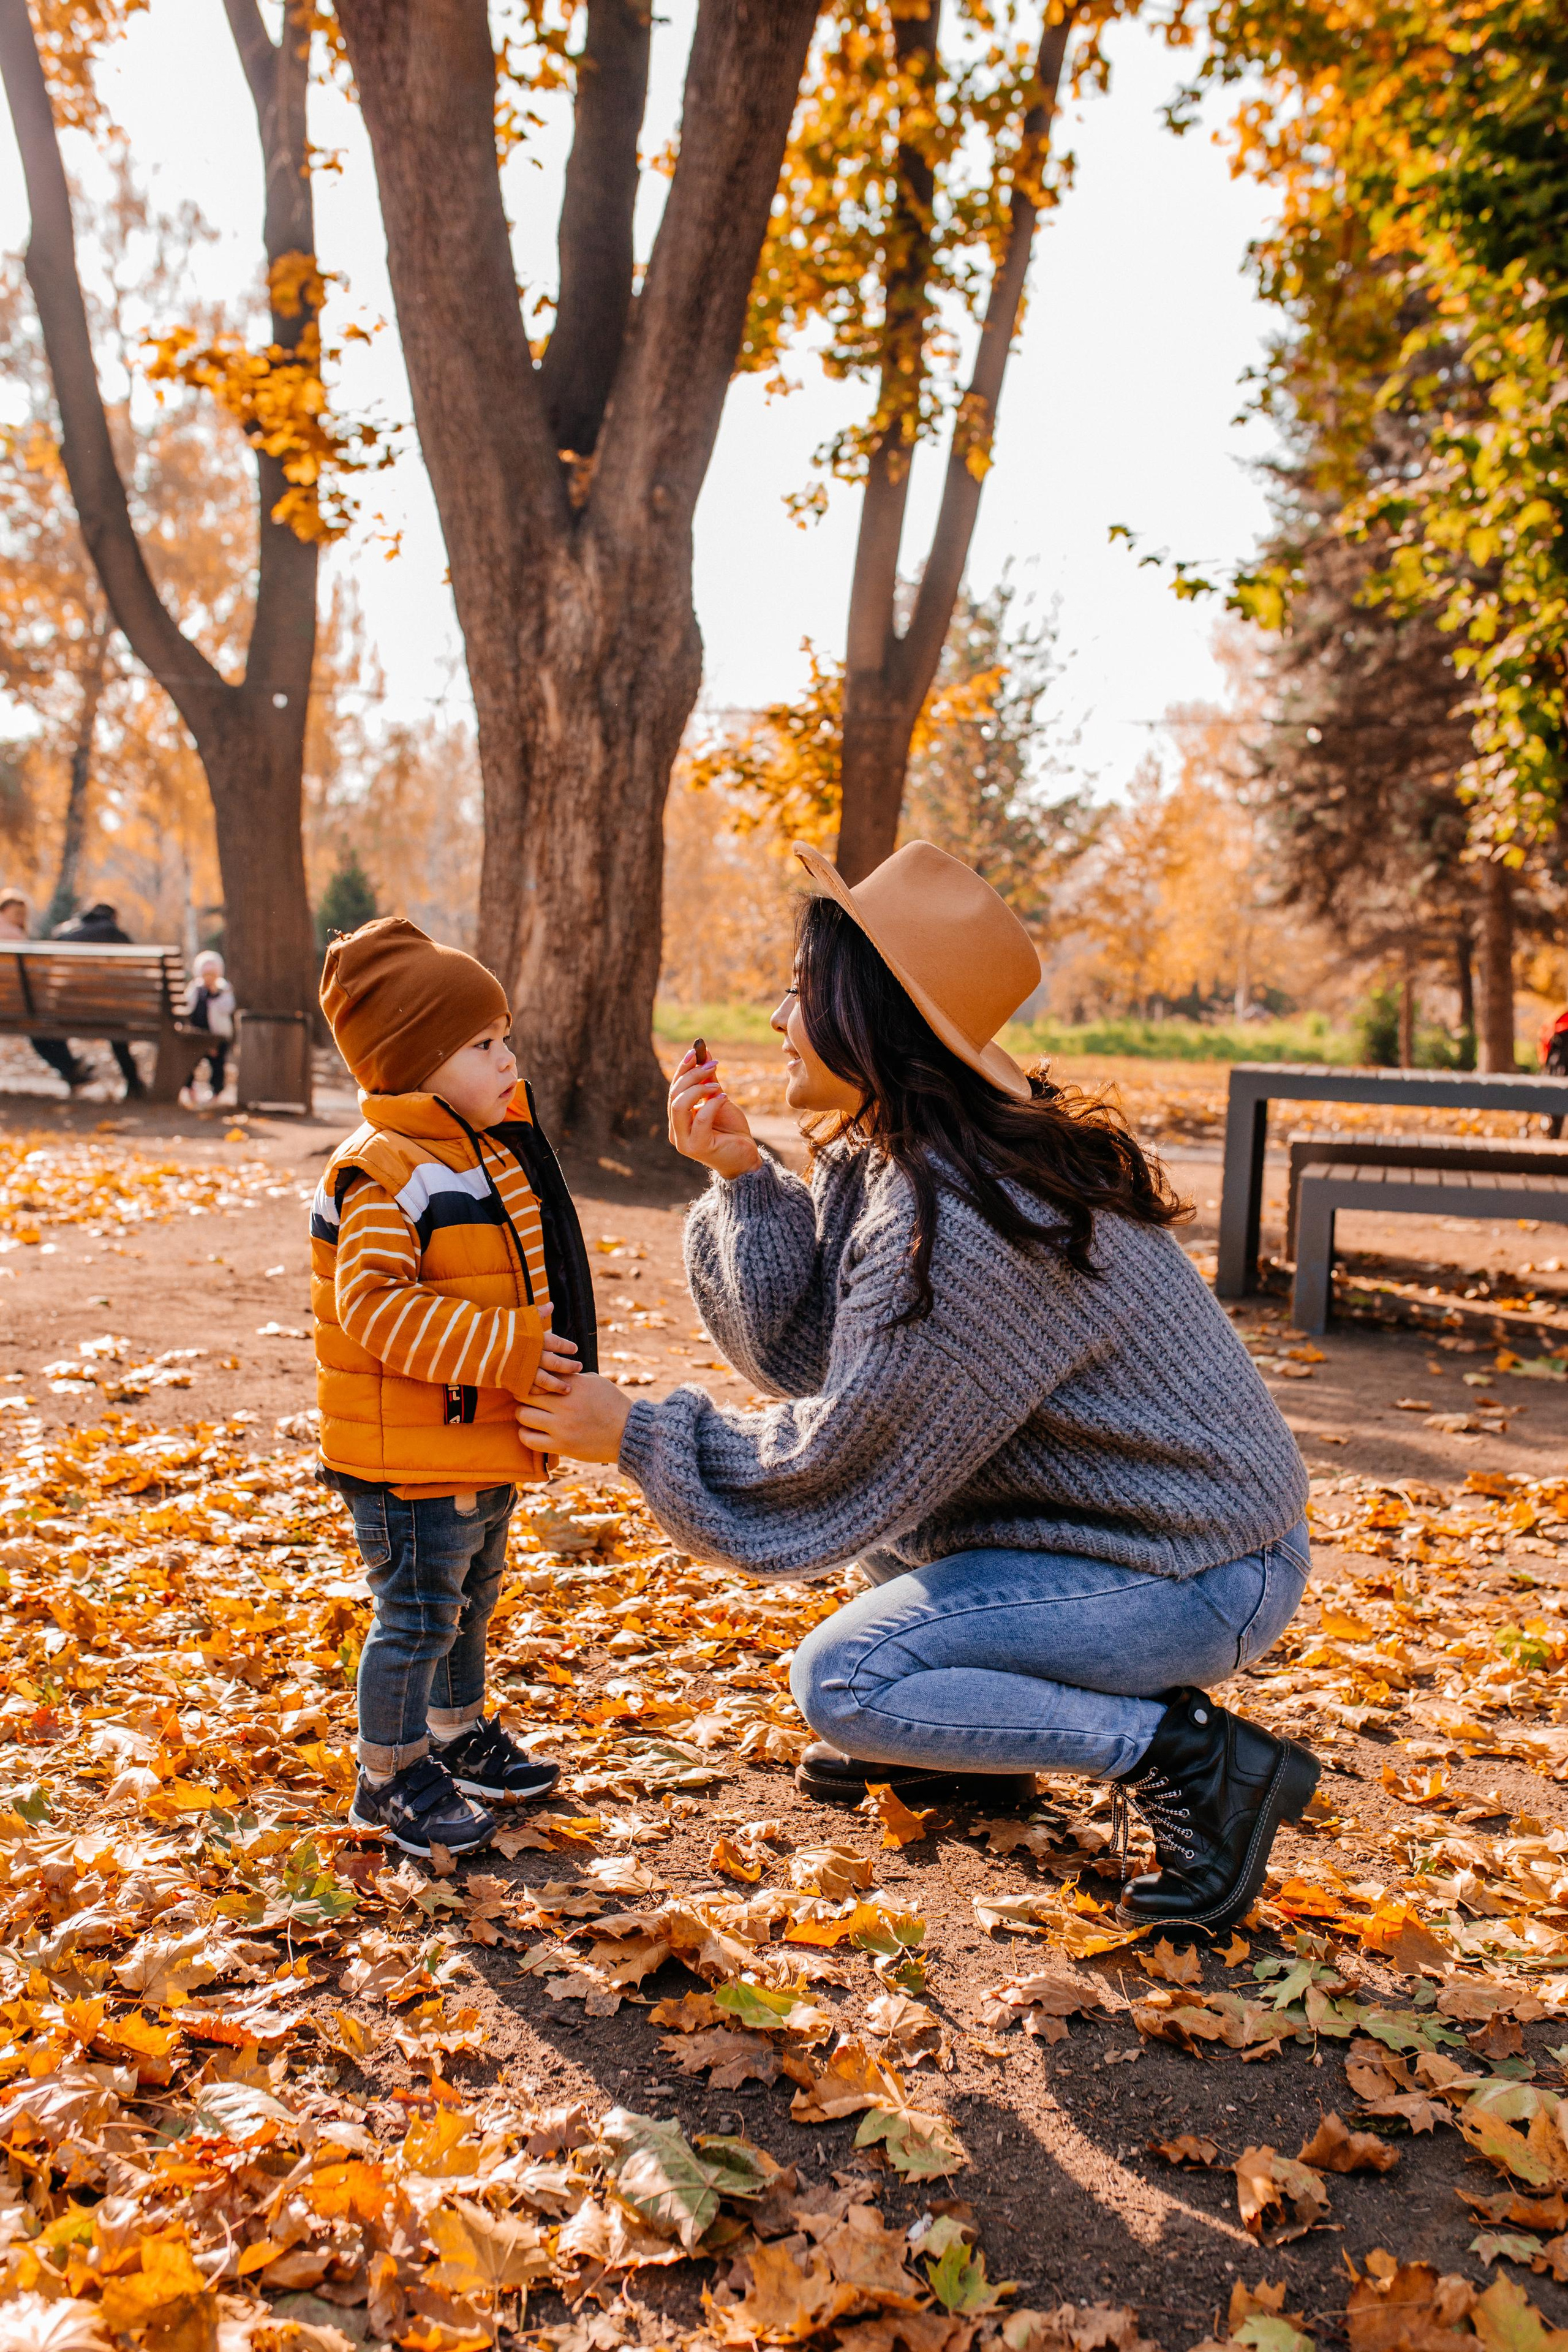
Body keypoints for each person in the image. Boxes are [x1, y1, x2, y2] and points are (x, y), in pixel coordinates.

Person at [516, 840, 1318, 1937]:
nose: (776, 1019)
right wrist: (744, 1178)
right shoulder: (904, 1158)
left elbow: (837, 1459)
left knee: (846, 1682)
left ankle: (1192, 1759)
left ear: (868, 1014)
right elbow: (826, 1361)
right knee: (881, 1550)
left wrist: (634, 1434)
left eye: (799, 994)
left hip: (1197, 1572)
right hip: (1114, 1538)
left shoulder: (970, 1226)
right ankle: (973, 1757)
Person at [313, 915, 595, 1858]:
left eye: (505, 1037)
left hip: (471, 1438)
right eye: (483, 1044)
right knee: (418, 1613)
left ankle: (453, 1733)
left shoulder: (478, 1150)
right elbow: (377, 1312)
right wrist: (511, 1352)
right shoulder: (384, 1173)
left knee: (472, 1597)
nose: (509, 1058)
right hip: (406, 1456)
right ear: (417, 1060)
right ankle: (387, 1778)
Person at [1, 888, 92, 1090]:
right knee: (41, 1025)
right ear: (4, 910)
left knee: (38, 1026)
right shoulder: (13, 936)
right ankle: (70, 1068)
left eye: (23, 915)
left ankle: (70, 1068)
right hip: (17, 1006)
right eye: (17, 914)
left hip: (11, 1005)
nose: (20, 919)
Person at [51, 902, 145, 1099]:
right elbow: (136, 971)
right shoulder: (115, 934)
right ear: (113, 917)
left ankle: (71, 1070)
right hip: (108, 1011)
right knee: (118, 1028)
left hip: (66, 1009)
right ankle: (134, 1083)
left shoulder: (65, 934)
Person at [184, 949, 236, 1101]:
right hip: (198, 1034)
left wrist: (215, 995)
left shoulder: (223, 989)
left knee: (218, 1064)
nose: (208, 979)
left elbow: (228, 1007)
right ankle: (190, 1087)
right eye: (206, 975)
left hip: (217, 1035)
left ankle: (216, 1090)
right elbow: (188, 1005)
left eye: (212, 975)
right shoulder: (196, 989)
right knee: (190, 1061)